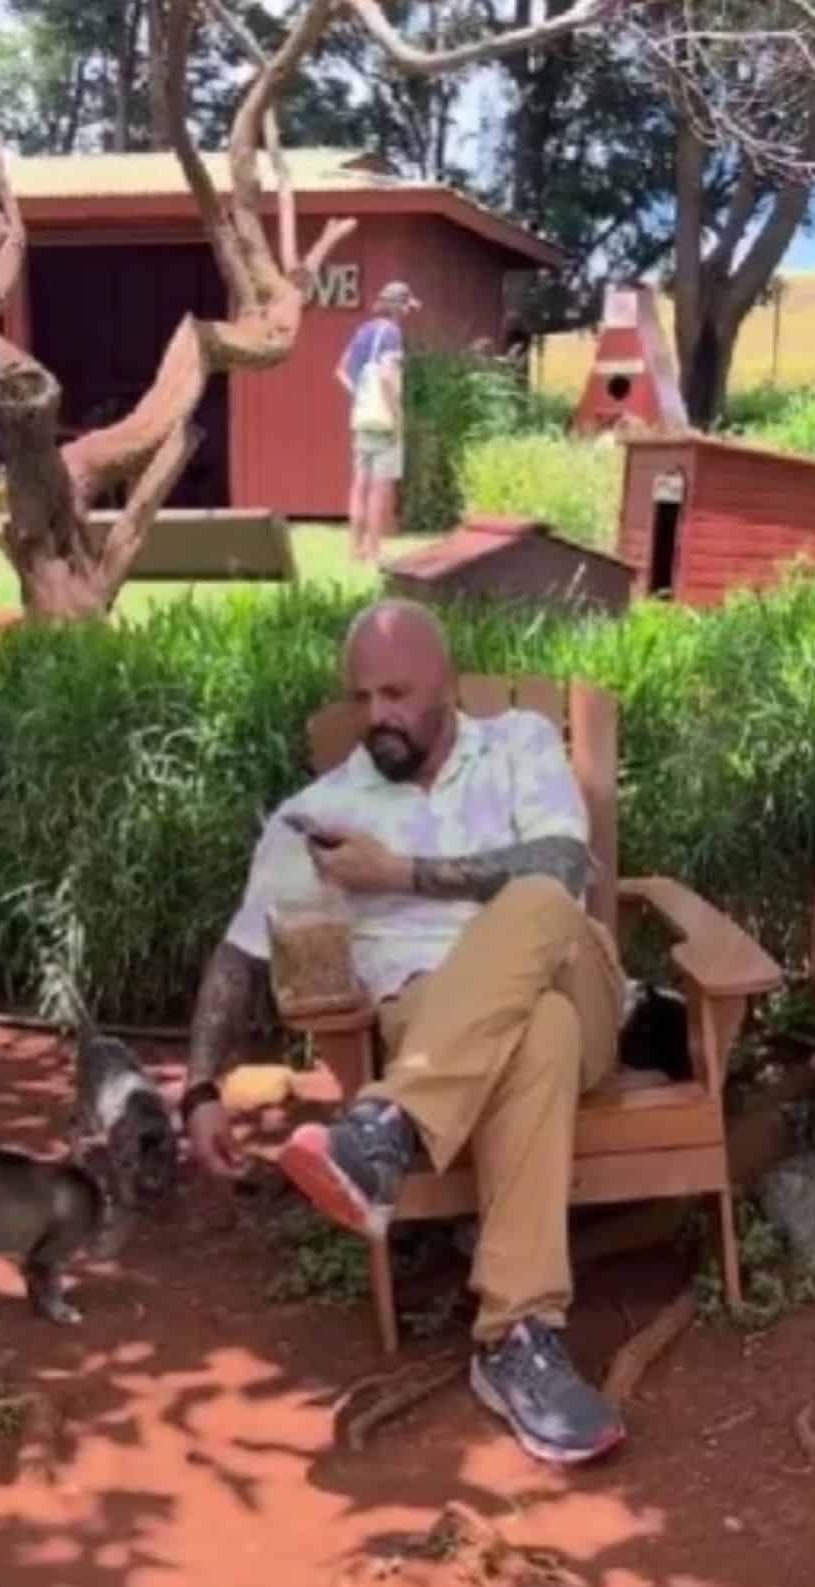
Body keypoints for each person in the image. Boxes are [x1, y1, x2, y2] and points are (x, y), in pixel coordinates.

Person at [181, 598, 629, 1466]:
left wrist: (398, 875)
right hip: (444, 1019)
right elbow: (240, 952)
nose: (378, 713)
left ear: (448, 688)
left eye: (397, 692)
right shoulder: (319, 815)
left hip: (570, 970)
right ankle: (517, 1341)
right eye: (362, 697)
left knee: (538, 894)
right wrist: (199, 1087)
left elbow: (567, 867)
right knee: (536, 1033)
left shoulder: (520, 745)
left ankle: (383, 1127)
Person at [336, 280, 419, 564]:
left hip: (361, 417)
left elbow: (340, 370)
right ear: (400, 307)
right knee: (379, 488)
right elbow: (387, 376)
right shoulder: (392, 333)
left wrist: (360, 394)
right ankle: (373, 551)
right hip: (383, 420)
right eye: (407, 306)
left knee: (359, 484)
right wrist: (396, 416)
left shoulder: (363, 331)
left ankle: (353, 549)